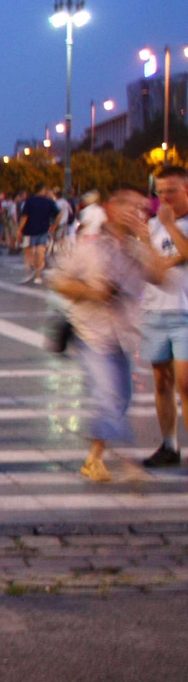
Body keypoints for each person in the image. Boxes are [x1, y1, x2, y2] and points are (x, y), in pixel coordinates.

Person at [49, 186, 173, 482]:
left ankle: (94, 459)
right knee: (109, 397)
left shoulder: (138, 247)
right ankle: (129, 461)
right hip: (91, 333)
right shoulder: (89, 244)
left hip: (122, 335)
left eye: (142, 208)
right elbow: (59, 281)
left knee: (120, 399)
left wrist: (144, 238)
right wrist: (93, 292)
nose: (137, 213)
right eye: (130, 206)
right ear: (110, 208)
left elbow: (160, 276)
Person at [141, 166, 188, 467]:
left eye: (171, 190)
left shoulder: (170, 224)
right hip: (154, 311)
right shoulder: (151, 226)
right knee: (162, 381)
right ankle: (169, 444)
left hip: (185, 312)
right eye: (160, 191)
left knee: (186, 384)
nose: (165, 197)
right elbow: (149, 265)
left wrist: (171, 227)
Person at [18, 185, 59, 284]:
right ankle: (38, 275)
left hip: (29, 230)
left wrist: (19, 230)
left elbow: (25, 217)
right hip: (43, 230)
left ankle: (28, 273)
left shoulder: (29, 201)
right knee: (40, 252)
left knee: (28, 252)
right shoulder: (49, 202)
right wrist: (54, 225)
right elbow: (59, 213)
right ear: (43, 190)